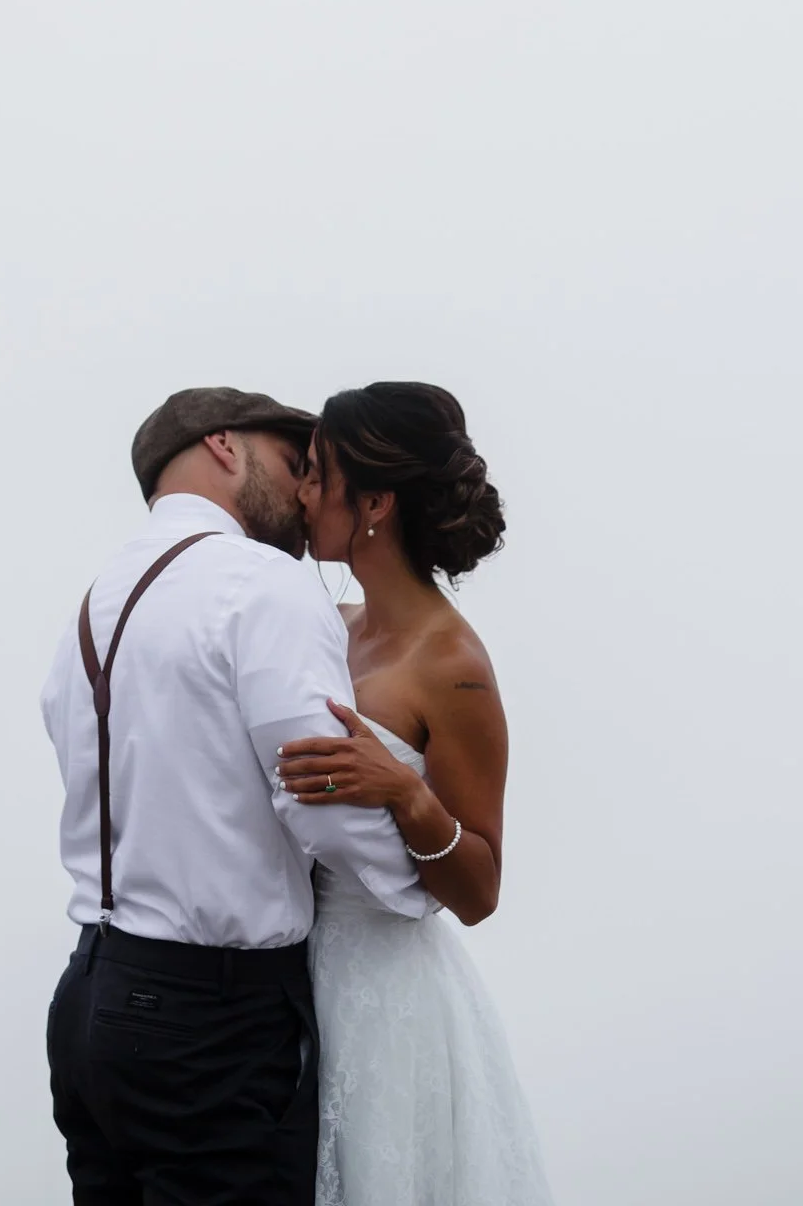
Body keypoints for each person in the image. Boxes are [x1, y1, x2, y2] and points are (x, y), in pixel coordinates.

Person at [40, 385, 432, 1206]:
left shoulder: (98, 599)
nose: (307, 492)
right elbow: (318, 787)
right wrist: (419, 886)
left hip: (87, 998)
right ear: (224, 446)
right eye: (295, 463)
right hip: (208, 1017)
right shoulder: (261, 582)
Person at [278, 382, 556, 1206]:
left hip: (388, 1010)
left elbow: (479, 890)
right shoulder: (329, 625)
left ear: (374, 503)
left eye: (316, 473)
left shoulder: (452, 666)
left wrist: (405, 791)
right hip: (282, 985)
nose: (300, 491)